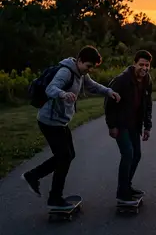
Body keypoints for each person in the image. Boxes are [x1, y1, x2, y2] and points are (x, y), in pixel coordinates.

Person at [22, 46, 120, 209]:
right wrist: (63, 94)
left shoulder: (80, 73)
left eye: (91, 67)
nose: (89, 70)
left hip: (60, 121)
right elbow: (50, 89)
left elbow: (93, 86)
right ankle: (54, 196)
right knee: (64, 156)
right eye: (88, 66)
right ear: (79, 60)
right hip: (50, 121)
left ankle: (34, 176)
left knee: (68, 155)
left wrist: (109, 91)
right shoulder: (66, 72)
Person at [104, 50, 153, 205]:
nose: (144, 68)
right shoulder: (122, 80)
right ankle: (122, 192)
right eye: (141, 65)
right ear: (134, 64)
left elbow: (148, 104)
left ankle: (126, 186)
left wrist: (147, 126)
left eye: (147, 65)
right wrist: (111, 126)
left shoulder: (147, 80)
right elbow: (108, 103)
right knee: (128, 154)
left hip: (135, 125)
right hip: (121, 124)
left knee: (136, 155)